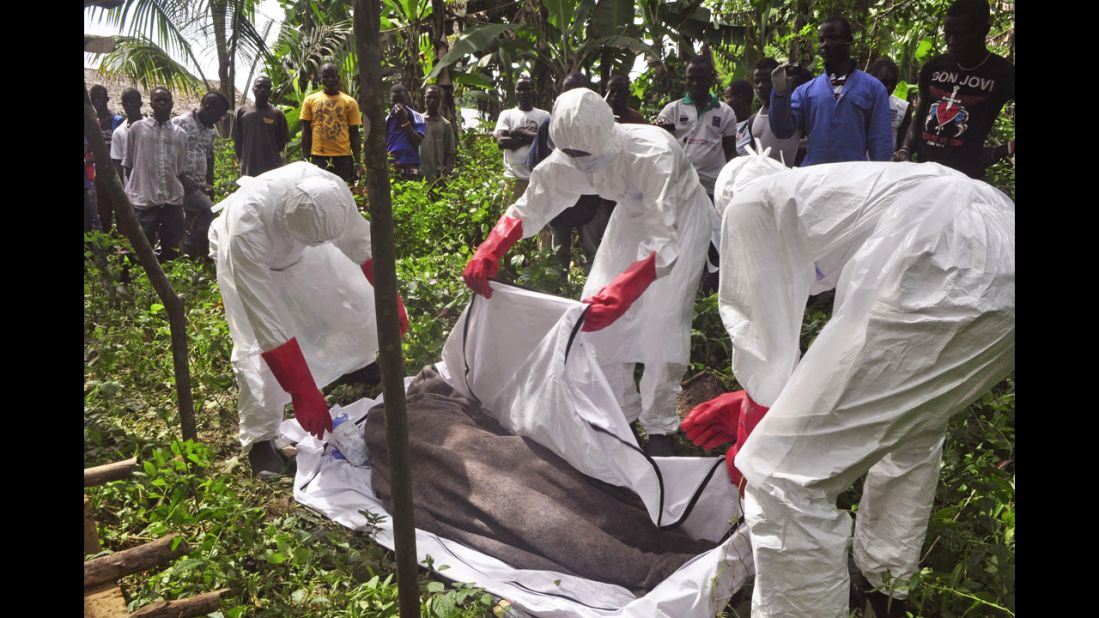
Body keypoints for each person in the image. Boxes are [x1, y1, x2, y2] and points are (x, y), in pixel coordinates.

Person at [682, 154, 1015, 618]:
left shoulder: (751, 206)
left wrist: (750, 436)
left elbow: (763, 349)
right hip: (999, 254)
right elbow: (854, 355)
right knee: (912, 428)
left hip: (941, 268)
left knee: (782, 479)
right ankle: (885, 586)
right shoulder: (847, 196)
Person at [463, 88, 712, 457]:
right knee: (594, 315)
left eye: (584, 154)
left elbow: (663, 240)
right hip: (630, 215)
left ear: (605, 134)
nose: (579, 162)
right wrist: (491, 247)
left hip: (682, 220)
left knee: (662, 319)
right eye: (571, 154)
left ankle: (660, 427)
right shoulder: (568, 158)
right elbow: (533, 202)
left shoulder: (651, 153)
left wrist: (623, 293)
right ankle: (620, 417)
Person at [208, 161, 409, 475]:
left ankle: (355, 365)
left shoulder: (329, 192)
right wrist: (304, 393)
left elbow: (363, 245)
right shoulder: (245, 235)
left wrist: (391, 299)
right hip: (250, 264)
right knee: (254, 349)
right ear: (288, 223)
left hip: (302, 250)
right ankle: (261, 440)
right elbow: (268, 325)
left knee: (348, 296)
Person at [896, 0, 1015, 179]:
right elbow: (919, 118)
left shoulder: (1002, 73)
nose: (951, 41)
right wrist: (905, 151)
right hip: (923, 176)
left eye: (960, 35)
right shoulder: (934, 67)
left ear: (983, 31)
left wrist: (1002, 150)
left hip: (965, 181)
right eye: (948, 33)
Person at [769, 17, 893, 164]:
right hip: (814, 178)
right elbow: (783, 130)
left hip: (853, 179)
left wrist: (878, 179)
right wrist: (780, 91)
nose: (826, 45)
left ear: (849, 40)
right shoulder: (806, 91)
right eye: (822, 40)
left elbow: (881, 143)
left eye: (833, 38)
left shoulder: (873, 89)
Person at [524, 72, 605, 275]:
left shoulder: (600, 126)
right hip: (558, 207)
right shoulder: (549, 126)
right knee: (558, 258)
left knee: (594, 254)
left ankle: (592, 300)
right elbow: (534, 164)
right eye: (569, 91)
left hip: (590, 204)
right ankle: (559, 296)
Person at [656, 55, 739, 198]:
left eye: (700, 78)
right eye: (690, 78)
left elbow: (730, 153)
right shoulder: (672, 110)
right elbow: (660, 149)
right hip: (679, 188)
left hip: (713, 189)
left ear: (711, 79)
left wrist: (736, 180)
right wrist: (658, 131)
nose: (694, 83)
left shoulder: (725, 112)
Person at [122, 87, 188, 262]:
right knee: (141, 250)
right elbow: (128, 165)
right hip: (144, 200)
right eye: (157, 100)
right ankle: (141, 286)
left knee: (171, 251)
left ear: (171, 103)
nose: (161, 103)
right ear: (151, 104)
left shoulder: (180, 135)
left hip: (171, 200)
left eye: (165, 100)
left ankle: (170, 288)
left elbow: (179, 169)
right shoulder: (137, 129)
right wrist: (142, 185)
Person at [172, 91, 231, 259]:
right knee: (210, 211)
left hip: (198, 184)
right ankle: (193, 250)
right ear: (207, 107)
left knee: (192, 220)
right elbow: (167, 154)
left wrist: (209, 183)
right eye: (218, 114)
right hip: (180, 183)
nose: (219, 119)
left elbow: (209, 156)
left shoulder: (210, 131)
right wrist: (182, 178)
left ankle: (190, 256)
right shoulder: (180, 123)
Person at [301, 63, 363, 182]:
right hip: (318, 157)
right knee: (319, 192)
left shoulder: (350, 102)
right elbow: (306, 131)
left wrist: (358, 162)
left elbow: (354, 133)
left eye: (332, 76)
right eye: (325, 76)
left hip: (343, 157)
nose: (329, 80)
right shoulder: (310, 100)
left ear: (338, 78)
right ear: (320, 79)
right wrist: (305, 157)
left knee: (344, 192)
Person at [494, 76, 550, 200]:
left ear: (533, 91)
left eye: (527, 89)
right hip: (513, 179)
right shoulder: (507, 114)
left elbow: (546, 142)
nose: (523, 93)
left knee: (538, 217)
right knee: (511, 217)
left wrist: (518, 132)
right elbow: (501, 142)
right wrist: (533, 138)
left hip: (537, 179)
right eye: (519, 89)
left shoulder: (544, 115)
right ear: (515, 91)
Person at [745, 58, 801, 166]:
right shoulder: (753, 120)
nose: (760, 85)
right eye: (757, 81)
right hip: (760, 178)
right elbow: (753, 153)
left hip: (788, 178)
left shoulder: (793, 113)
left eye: (766, 80)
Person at [232, 76, 290, 177]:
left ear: (270, 91)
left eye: (266, 87)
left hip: (272, 169)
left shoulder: (277, 114)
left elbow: (281, 143)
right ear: (253, 89)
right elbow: (238, 141)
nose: (262, 90)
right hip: (248, 169)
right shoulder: (241, 112)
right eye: (259, 86)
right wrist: (244, 160)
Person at [90, 84, 126, 231]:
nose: (97, 101)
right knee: (103, 214)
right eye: (94, 98)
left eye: (100, 97)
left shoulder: (118, 121)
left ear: (107, 99)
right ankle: (107, 248)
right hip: (98, 175)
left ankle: (123, 249)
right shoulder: (91, 123)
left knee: (121, 213)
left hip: (116, 174)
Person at [866, 57, 912, 152]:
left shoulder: (902, 108)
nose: (889, 88)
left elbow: (901, 146)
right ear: (872, 78)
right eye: (884, 82)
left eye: (893, 83)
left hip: (886, 164)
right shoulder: (858, 102)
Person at [386, 84, 426, 180]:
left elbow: (418, 141)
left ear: (408, 99)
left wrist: (404, 121)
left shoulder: (417, 117)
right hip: (392, 168)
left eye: (401, 100)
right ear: (390, 101)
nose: (398, 105)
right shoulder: (387, 120)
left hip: (410, 168)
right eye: (395, 101)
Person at [419, 84, 456, 183]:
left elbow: (449, 152)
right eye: (429, 97)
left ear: (440, 99)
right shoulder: (417, 121)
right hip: (419, 175)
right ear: (424, 98)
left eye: (435, 97)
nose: (432, 100)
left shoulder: (446, 125)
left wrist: (446, 172)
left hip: (438, 176)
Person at [110, 88, 145, 183]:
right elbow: (118, 163)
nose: (129, 105)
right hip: (130, 186)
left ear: (140, 104)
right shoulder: (119, 132)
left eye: (132, 101)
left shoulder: (152, 127)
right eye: (125, 102)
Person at [723, 80, 755, 156]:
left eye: (727, 98)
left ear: (740, 98)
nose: (725, 102)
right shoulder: (727, 124)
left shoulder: (752, 125)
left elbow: (738, 153)